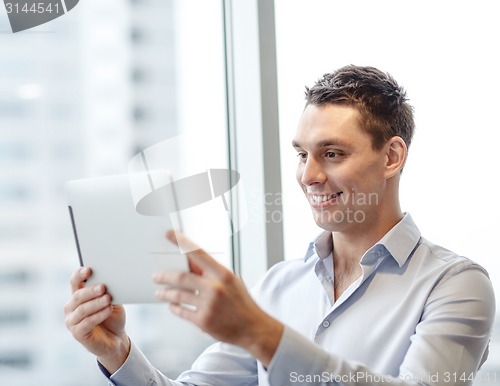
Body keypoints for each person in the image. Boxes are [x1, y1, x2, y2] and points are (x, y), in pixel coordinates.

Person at [64, 65, 495, 385]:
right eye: (302, 154)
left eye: (332, 153)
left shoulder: (455, 285)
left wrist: (262, 334)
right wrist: (118, 352)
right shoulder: (279, 286)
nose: (309, 175)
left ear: (391, 157)